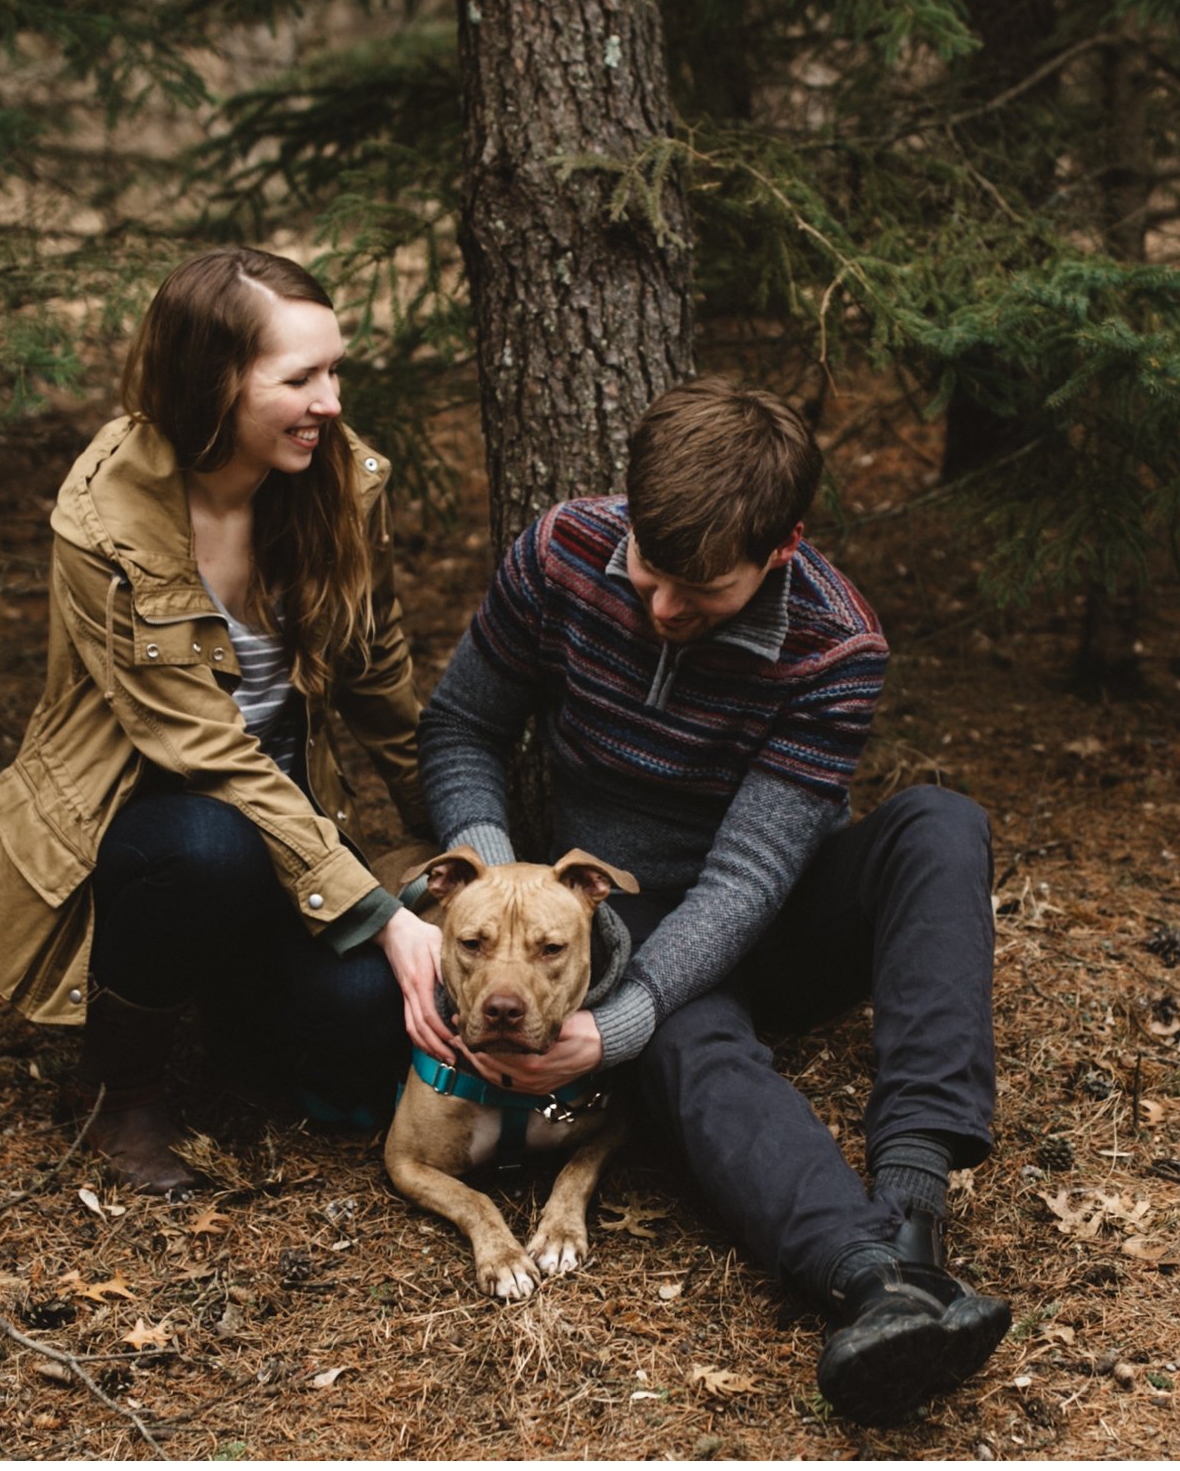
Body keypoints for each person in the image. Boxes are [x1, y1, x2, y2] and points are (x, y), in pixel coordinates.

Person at [418, 375, 1010, 1424]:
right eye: (650, 570)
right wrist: (499, 892)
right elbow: (462, 726)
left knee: (939, 823)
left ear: (781, 549)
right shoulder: (559, 554)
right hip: (611, 910)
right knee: (688, 1037)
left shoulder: (835, 644)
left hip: (772, 907)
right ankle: (866, 1278)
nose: (661, 608)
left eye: (703, 593)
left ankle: (913, 1205)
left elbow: (747, 881)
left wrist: (617, 1028)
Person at [0, 248, 453, 1195]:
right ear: (214, 383)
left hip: (287, 807)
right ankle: (126, 1089)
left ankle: (242, 1005)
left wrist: (455, 820)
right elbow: (203, 750)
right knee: (209, 849)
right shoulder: (107, 520)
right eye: (300, 378)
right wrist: (381, 916)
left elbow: (375, 668)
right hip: (150, 808)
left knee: (363, 1027)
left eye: (335, 370)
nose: (333, 402)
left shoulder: (336, 479)